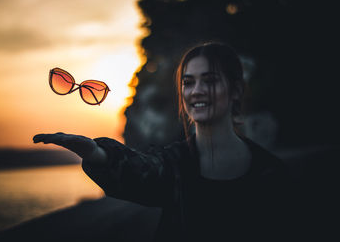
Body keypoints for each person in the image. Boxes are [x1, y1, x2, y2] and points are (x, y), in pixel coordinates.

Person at [33, 42, 293, 242]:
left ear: (236, 90)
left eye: (210, 80)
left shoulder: (272, 174)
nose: (197, 90)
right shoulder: (174, 165)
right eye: (188, 82)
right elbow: (140, 170)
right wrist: (96, 153)